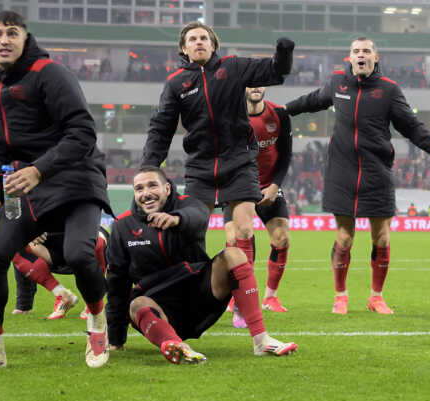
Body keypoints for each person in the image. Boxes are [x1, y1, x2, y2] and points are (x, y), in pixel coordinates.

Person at [0, 11, 112, 372]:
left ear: (24, 38)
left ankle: (97, 321)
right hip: (24, 186)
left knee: (80, 255)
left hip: (76, 179)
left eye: (12, 33)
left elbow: (82, 133)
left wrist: (38, 169)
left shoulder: (50, 73)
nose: (4, 40)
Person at [288, 37, 430, 314]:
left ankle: (376, 297)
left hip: (376, 170)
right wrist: (283, 110)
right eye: (356, 51)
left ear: (375, 58)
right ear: (350, 57)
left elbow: (412, 127)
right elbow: (312, 101)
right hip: (341, 170)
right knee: (344, 238)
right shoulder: (337, 83)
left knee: (381, 237)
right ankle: (340, 295)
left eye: (366, 51)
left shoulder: (389, 90)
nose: (361, 55)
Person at [141, 22, 294, 276]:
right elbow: (160, 129)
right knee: (190, 230)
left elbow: (275, 72)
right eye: (192, 39)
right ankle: (196, 290)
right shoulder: (176, 84)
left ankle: (242, 303)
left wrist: (284, 51)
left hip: (239, 162)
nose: (199, 42)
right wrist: (149, 167)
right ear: (184, 48)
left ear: (213, 46)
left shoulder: (232, 67)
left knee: (244, 229)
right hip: (200, 166)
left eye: (204, 38)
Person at [106, 168, 297, 361]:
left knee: (234, 255)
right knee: (136, 303)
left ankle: (261, 341)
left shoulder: (188, 205)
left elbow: (198, 216)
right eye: (139, 189)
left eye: (152, 185)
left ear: (167, 189)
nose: (146, 193)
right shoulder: (123, 226)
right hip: (160, 308)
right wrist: (116, 338)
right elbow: (117, 281)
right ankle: (176, 346)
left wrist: (177, 219)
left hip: (199, 296)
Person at [246, 86, 293, 313]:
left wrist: (275, 186)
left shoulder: (279, 114)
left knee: (281, 238)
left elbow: (286, 154)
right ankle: (237, 296)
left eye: (260, 82)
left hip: (269, 187)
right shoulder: (231, 114)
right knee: (239, 243)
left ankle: (270, 297)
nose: (256, 87)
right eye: (251, 82)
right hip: (240, 186)